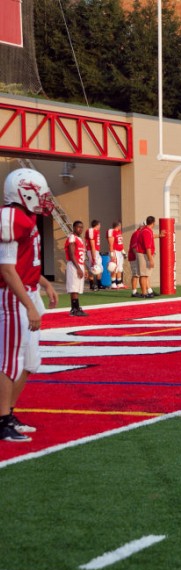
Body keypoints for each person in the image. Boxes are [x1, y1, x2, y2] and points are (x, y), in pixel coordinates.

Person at [0, 168, 59, 442]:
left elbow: (25, 262)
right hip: (13, 295)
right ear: (23, 192)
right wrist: (29, 304)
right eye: (39, 193)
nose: (44, 198)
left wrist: (44, 283)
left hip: (28, 290)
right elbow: (7, 269)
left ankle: (8, 413)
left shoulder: (26, 216)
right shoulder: (10, 216)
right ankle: (1, 420)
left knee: (30, 361)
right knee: (10, 359)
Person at [65, 220, 88, 317]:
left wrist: (84, 268)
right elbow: (71, 254)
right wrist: (78, 268)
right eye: (78, 227)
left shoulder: (79, 239)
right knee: (74, 287)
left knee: (77, 287)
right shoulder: (72, 238)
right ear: (74, 227)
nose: (80, 229)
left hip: (79, 264)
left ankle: (76, 307)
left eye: (82, 227)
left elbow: (81, 255)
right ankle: (74, 309)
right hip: (74, 265)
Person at [136, 216, 158, 298]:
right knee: (144, 275)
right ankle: (144, 293)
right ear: (153, 222)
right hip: (144, 254)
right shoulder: (146, 231)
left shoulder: (147, 230)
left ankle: (145, 292)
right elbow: (147, 247)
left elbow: (152, 236)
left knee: (145, 275)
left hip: (144, 254)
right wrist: (150, 259)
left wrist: (160, 235)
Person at [84, 219, 103, 290]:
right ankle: (92, 285)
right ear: (97, 225)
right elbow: (92, 244)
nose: (100, 226)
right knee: (93, 267)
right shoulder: (91, 231)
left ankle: (99, 284)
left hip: (95, 251)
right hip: (92, 251)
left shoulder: (96, 231)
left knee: (98, 267)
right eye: (99, 225)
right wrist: (93, 255)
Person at [106, 221, 126, 289]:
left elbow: (120, 243)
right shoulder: (112, 231)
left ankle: (119, 282)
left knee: (120, 268)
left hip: (120, 251)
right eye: (120, 225)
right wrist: (112, 253)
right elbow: (111, 243)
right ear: (118, 226)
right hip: (115, 251)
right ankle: (113, 283)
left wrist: (123, 251)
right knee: (114, 266)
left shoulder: (119, 232)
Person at [128, 221, 143, 297]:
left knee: (138, 274)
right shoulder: (137, 234)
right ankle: (134, 292)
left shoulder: (140, 234)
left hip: (136, 256)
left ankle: (138, 291)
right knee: (136, 274)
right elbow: (134, 247)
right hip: (134, 257)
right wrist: (138, 257)